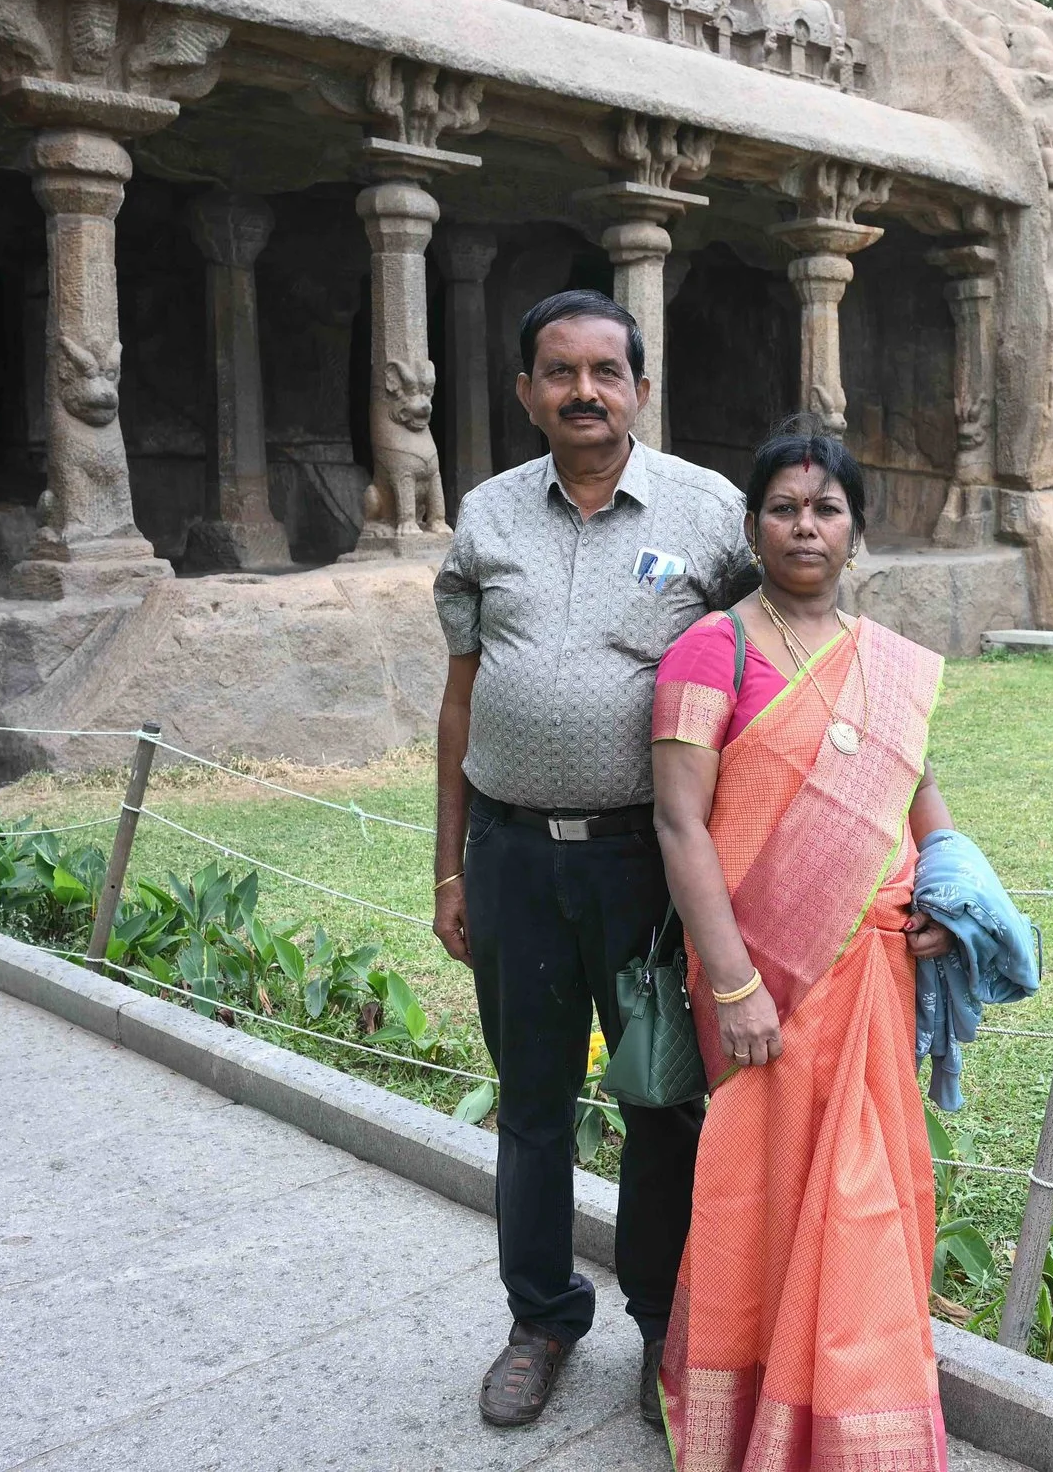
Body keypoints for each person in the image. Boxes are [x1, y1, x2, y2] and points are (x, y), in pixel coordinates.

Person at [432, 289, 754, 1430]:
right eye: (558, 372)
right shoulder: (484, 518)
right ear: (525, 392)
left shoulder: (710, 514)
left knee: (661, 1098)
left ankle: (666, 1322)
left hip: (648, 865)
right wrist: (449, 867)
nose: (582, 391)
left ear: (639, 389)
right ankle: (540, 1317)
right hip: (513, 854)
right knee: (531, 1101)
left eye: (604, 371)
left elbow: (772, 676)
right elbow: (461, 699)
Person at [650, 420, 960, 1471]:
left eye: (825, 507)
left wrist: (947, 891)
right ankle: (751, 1420)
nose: (805, 525)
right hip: (762, 978)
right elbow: (680, 822)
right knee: (763, 1194)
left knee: (866, 1198)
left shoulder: (886, 667)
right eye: (784, 506)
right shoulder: (712, 648)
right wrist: (735, 981)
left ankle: (851, 1425)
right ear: (752, 524)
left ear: (854, 532)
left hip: (873, 972)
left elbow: (921, 800)